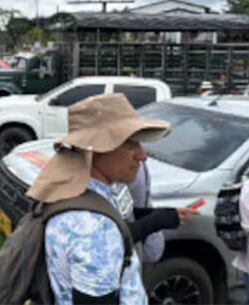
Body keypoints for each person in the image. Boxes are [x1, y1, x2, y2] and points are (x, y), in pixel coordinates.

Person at [27, 93, 173, 304]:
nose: (142, 156)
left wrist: (159, 217)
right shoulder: (94, 228)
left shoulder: (72, 192)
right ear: (96, 150)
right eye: (131, 145)